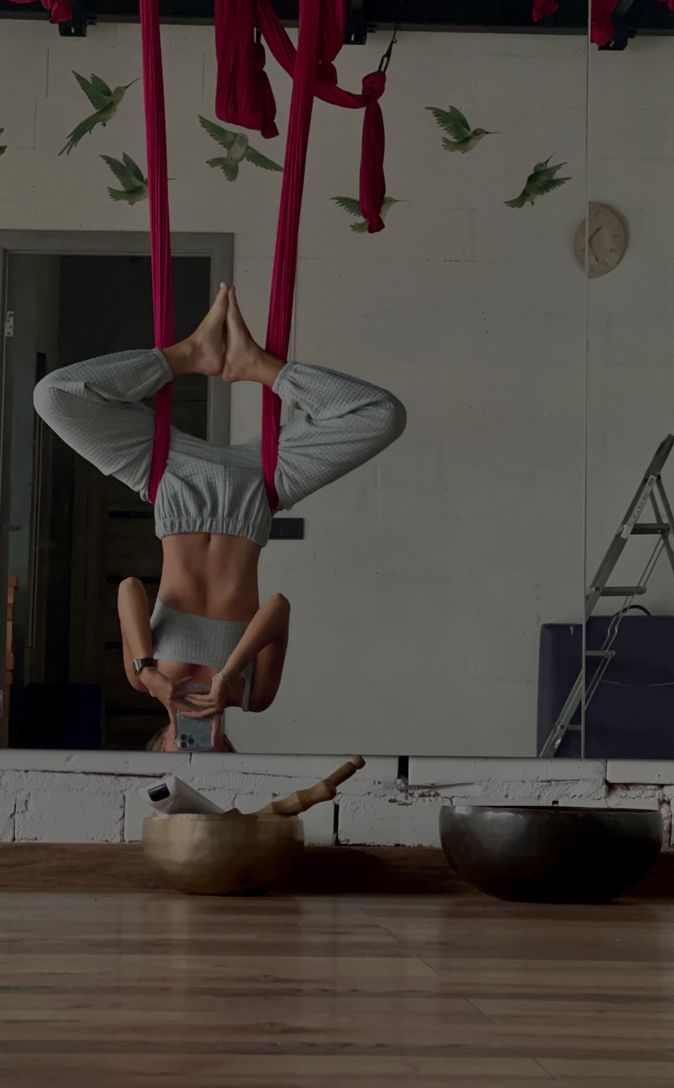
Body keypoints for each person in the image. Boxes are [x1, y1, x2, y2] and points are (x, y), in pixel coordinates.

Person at [33, 285, 407, 751]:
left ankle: (187, 355)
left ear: (160, 746)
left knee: (53, 397)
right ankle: (261, 368)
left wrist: (149, 672)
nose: (194, 753)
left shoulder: (141, 680)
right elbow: (278, 608)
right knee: (383, 416)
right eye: (213, 760)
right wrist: (230, 676)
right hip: (257, 491)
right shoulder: (254, 696)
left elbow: (129, 588)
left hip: (171, 482)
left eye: (177, 754)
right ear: (228, 751)